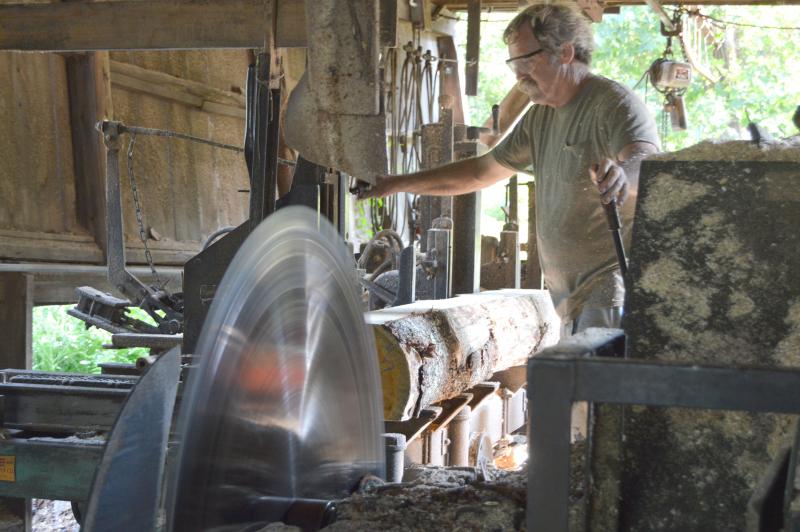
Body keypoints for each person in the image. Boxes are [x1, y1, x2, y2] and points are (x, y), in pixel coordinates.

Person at [359, 2, 659, 337]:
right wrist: (396, 184)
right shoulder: (540, 116)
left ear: (565, 52)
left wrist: (621, 174)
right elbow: (479, 172)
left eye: (527, 61)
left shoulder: (613, 104)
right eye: (513, 64)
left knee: (599, 388)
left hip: (609, 291)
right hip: (572, 299)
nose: (518, 76)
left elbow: (647, 165)